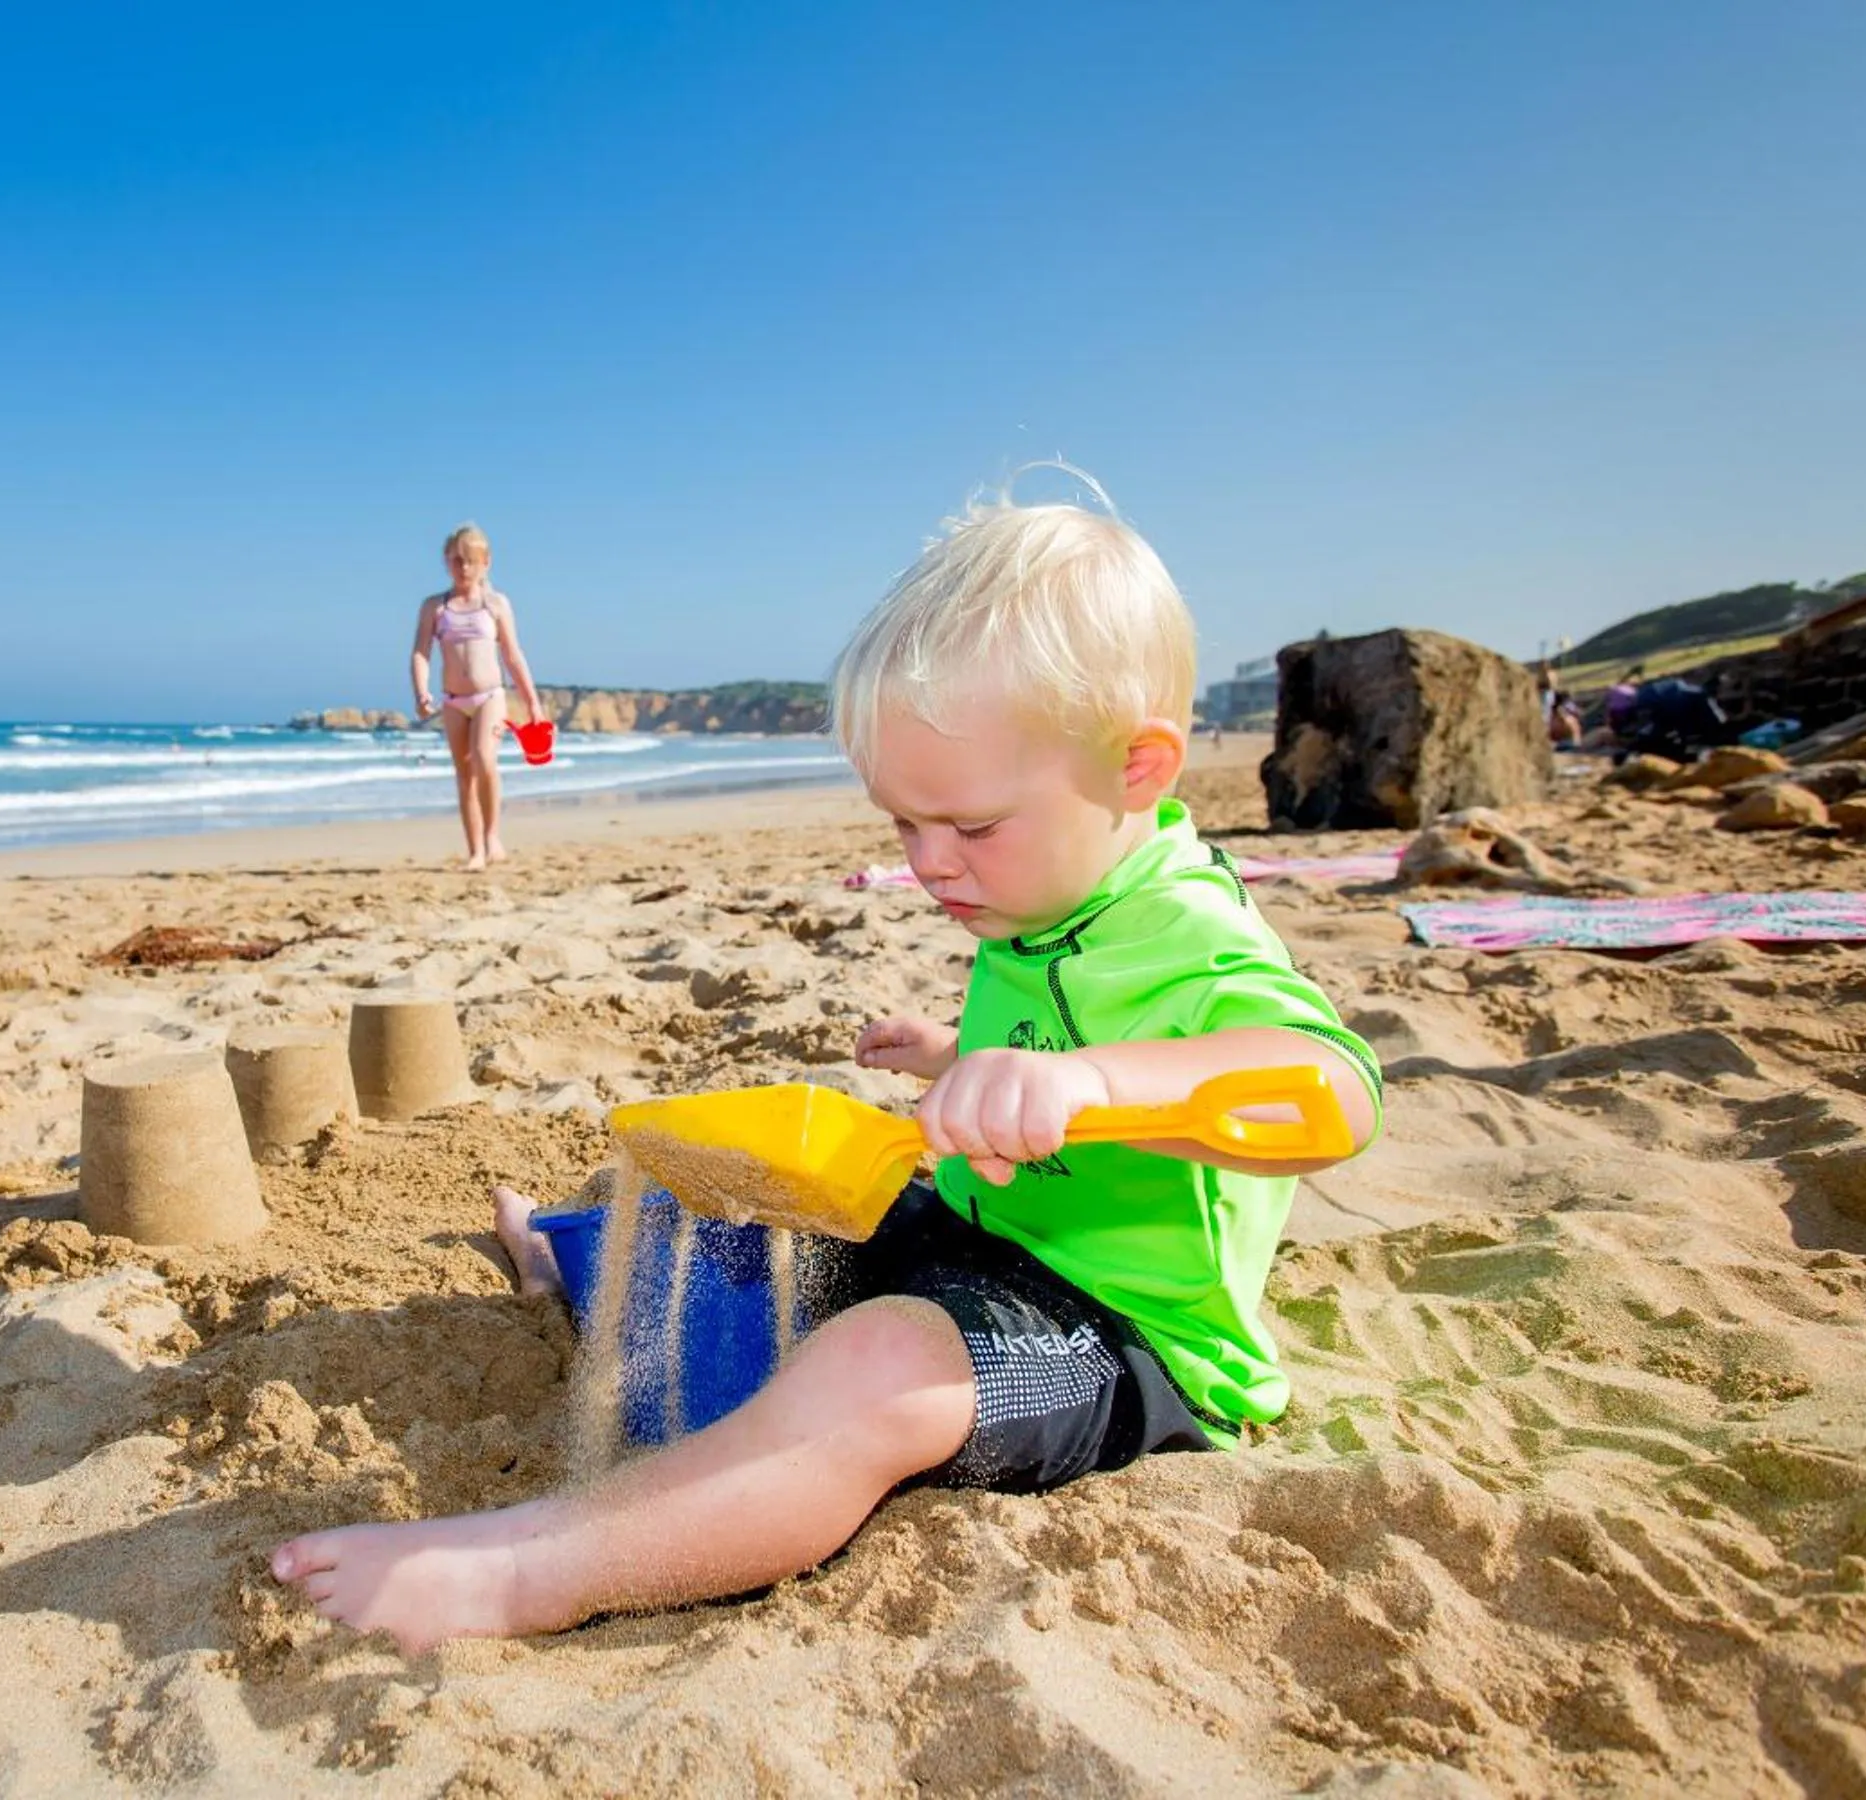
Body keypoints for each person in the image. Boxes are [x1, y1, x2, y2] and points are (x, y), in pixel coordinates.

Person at [276, 496, 1383, 1653]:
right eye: (903, 825)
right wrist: (960, 1057)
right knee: (748, 1206)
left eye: (970, 827)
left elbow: (1332, 1090)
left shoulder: (1191, 929)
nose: (930, 865)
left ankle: (533, 1570)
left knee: (879, 1366)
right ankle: (566, 1253)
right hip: (981, 1236)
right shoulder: (1047, 880)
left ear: (1136, 768)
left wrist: (1093, 1088)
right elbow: (1058, 1037)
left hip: (1124, 1336)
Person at [410, 523, 543, 871]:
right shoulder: (435, 607)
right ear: (446, 561)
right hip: (454, 701)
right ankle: (476, 851)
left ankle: (492, 836)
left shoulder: (495, 604)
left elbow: (513, 655)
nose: (464, 567)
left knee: (484, 758)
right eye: (457, 560)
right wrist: (421, 691)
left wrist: (532, 702)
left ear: (486, 562)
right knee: (464, 773)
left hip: (489, 697)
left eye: (471, 560)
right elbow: (421, 652)